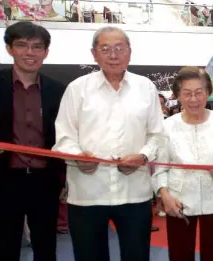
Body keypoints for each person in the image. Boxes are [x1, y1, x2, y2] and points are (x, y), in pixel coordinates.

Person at [52, 26, 164, 261]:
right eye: (105, 49)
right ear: (94, 54)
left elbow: (158, 136)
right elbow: (63, 136)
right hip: (87, 193)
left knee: (137, 256)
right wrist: (78, 156)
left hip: (134, 194)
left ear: (129, 52)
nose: (113, 55)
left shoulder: (146, 88)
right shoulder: (77, 89)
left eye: (119, 49)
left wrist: (143, 156)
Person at [0, 21, 66, 261]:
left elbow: (65, 135)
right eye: (22, 45)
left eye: (37, 47)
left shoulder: (59, 90)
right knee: (4, 247)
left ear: (46, 52)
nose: (30, 53)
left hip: (45, 180)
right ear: (9, 49)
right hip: (3, 179)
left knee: (46, 247)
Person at [153, 67, 213, 261]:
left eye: (199, 93)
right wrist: (164, 195)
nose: (194, 99)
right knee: (180, 254)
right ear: (177, 96)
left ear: (208, 93)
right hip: (178, 200)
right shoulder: (167, 126)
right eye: (187, 93)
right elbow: (161, 167)